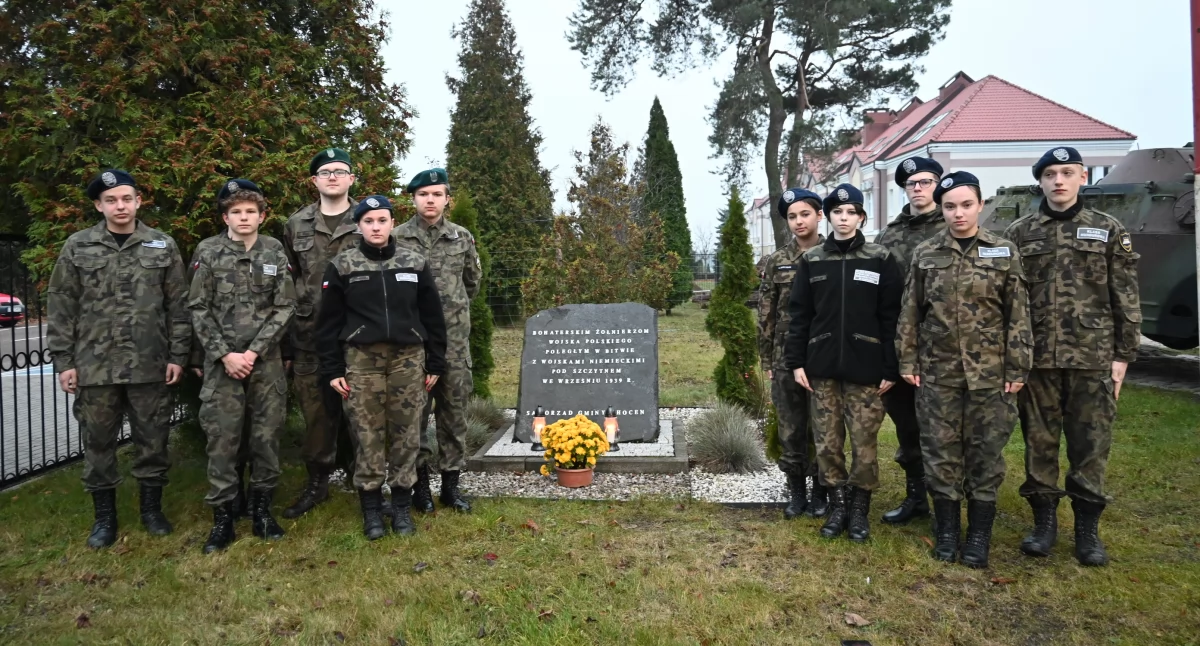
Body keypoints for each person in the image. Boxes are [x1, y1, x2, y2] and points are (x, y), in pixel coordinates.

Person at [1003, 147, 1141, 566]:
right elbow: (1010, 301)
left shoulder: (1107, 229)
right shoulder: (1020, 233)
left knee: (1090, 445)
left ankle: (1087, 532)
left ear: (1083, 177)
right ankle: (1043, 525)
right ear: (1040, 181)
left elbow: (1126, 293)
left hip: (1093, 357)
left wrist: (1123, 354)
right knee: (1039, 443)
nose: (1058, 181)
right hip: (1038, 358)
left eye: (1067, 172)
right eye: (1050, 174)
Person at [47, 169, 191, 548]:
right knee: (97, 443)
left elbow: (178, 305)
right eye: (111, 200)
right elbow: (62, 306)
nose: (120, 206)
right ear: (98, 205)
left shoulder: (162, 245)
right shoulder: (78, 246)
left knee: (153, 439)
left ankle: (151, 509)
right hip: (96, 366)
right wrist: (64, 361)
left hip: (150, 363)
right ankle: (104, 518)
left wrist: (178, 354)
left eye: (126, 198)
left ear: (139, 201)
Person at [897, 171, 1032, 568]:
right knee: (940, 452)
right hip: (938, 373)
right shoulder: (927, 253)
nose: (958, 213)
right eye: (950, 206)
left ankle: (977, 537)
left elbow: (1019, 315)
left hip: (991, 375)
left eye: (966, 205)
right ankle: (947, 533)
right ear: (941, 209)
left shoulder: (1003, 251)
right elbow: (910, 312)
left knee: (985, 453)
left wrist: (1019, 366)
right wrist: (908, 359)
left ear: (981, 205)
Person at [316, 195, 448, 540]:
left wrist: (435, 360)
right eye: (369, 221)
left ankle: (402, 506)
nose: (376, 227)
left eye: (383, 220)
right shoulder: (343, 265)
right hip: (362, 360)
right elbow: (328, 323)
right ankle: (372, 509)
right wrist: (332, 369)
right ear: (359, 225)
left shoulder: (414, 262)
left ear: (392, 223)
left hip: (408, 359)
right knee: (367, 434)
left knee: (407, 434)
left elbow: (432, 316)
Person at [784, 183, 903, 543]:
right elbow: (799, 315)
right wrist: (796, 362)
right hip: (820, 370)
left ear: (861, 217)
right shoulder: (813, 260)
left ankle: (859, 511)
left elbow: (892, 316)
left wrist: (890, 367)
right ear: (829, 216)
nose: (844, 218)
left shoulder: (880, 258)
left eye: (851, 212)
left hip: (866, 371)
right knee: (827, 444)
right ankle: (837, 508)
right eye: (838, 212)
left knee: (864, 445)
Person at [189, 179, 296, 553]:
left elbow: (285, 307)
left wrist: (254, 352)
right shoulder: (209, 251)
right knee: (223, 440)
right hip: (223, 365)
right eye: (236, 212)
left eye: (251, 211)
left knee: (265, 437)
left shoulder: (274, 251)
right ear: (225, 216)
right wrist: (224, 354)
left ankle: (262, 511)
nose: (244, 217)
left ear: (262, 216)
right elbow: (198, 308)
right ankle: (223, 519)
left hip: (263, 364)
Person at [280, 148, 362, 518]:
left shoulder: (367, 219)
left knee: (362, 412)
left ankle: (365, 480)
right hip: (309, 335)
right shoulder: (296, 224)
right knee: (316, 414)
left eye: (340, 171)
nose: (332, 176)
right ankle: (317, 482)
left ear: (351, 179)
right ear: (314, 181)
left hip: (358, 334)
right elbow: (286, 280)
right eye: (325, 172)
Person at [394, 168, 481, 513]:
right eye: (423, 194)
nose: (430, 200)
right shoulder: (396, 237)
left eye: (436, 194)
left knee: (453, 414)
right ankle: (419, 488)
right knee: (414, 415)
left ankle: (451, 486)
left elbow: (471, 283)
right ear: (413, 199)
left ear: (447, 199)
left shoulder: (461, 237)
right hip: (411, 342)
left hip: (454, 344)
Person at [873, 155, 946, 526]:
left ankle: (947, 500)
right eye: (911, 184)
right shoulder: (890, 234)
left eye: (925, 182)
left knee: (944, 427)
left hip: (945, 348)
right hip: (900, 346)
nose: (918, 189)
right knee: (907, 425)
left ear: (937, 185)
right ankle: (916, 495)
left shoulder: (952, 224)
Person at [757, 188, 826, 519]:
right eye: (793, 217)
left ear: (819, 215)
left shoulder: (834, 254)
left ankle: (823, 491)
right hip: (786, 357)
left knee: (826, 427)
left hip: (826, 354)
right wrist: (767, 360)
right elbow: (766, 312)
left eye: (805, 214)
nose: (799, 222)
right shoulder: (777, 261)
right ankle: (797, 491)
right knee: (791, 426)